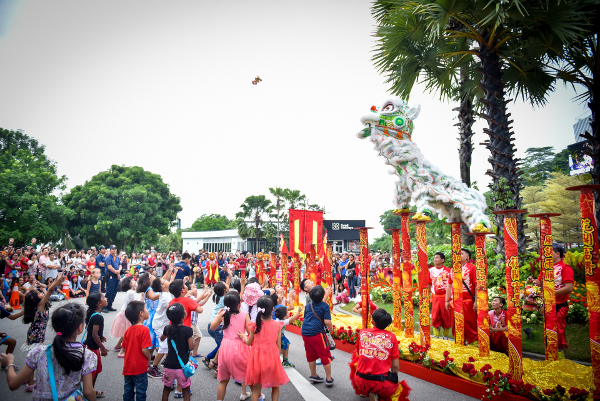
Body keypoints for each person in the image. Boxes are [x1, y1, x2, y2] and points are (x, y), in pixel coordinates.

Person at [0, 303, 98, 401]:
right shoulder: (87, 355)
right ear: (80, 328)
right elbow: (88, 392)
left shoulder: (38, 353)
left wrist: (10, 363)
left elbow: (13, 384)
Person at [349, 308, 411, 401]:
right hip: (381, 383)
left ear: (372, 322)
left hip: (360, 380)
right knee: (400, 391)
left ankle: (365, 391)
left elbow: (358, 353)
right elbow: (395, 365)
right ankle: (377, 392)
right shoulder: (392, 337)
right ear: (387, 324)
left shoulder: (363, 332)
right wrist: (393, 378)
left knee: (356, 361)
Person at [528, 243, 574, 358]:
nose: (545, 255)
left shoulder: (565, 268)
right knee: (548, 330)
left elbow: (569, 287)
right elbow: (540, 283)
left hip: (559, 305)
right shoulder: (545, 268)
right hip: (547, 304)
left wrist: (551, 293)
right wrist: (533, 280)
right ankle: (550, 355)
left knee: (558, 329)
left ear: (558, 254)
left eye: (549, 252)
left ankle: (560, 355)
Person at [240, 296, 290, 401]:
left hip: (257, 360)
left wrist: (244, 337)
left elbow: (249, 343)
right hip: (272, 359)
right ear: (272, 309)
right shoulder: (277, 325)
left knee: (256, 390)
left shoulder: (254, 325)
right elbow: (279, 345)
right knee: (275, 386)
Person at [21, 274, 65, 391]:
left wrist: (56, 280)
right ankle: (30, 383)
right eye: (39, 293)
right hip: (35, 336)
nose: (42, 293)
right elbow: (50, 290)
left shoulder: (38, 305)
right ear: (36, 299)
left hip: (35, 334)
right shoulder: (40, 305)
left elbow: (47, 290)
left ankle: (28, 378)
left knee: (32, 357)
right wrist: (57, 281)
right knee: (33, 358)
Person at [211, 292, 253, 401]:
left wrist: (218, 315)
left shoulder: (223, 314)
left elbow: (212, 327)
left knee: (223, 381)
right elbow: (250, 332)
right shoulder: (244, 314)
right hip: (241, 346)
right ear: (239, 303)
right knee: (247, 375)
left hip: (226, 347)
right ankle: (257, 394)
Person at [301, 285, 334, 386]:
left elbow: (306, 317)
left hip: (305, 332)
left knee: (311, 355)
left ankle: (313, 374)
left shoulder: (308, 305)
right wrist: (331, 329)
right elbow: (327, 322)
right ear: (323, 295)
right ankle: (329, 378)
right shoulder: (325, 306)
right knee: (325, 355)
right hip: (317, 334)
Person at [161, 303, 193, 401]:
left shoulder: (167, 328)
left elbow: (162, 339)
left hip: (169, 366)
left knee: (166, 389)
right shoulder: (188, 330)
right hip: (182, 367)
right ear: (184, 316)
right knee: (186, 390)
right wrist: (193, 338)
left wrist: (166, 334)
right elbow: (191, 347)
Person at [445, 248, 478, 344]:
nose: (458, 255)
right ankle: (460, 343)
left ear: (467, 257)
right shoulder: (452, 269)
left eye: (461, 254)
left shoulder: (472, 267)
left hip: (468, 301)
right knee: (456, 323)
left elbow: (476, 284)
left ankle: (473, 344)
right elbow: (449, 285)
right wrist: (447, 301)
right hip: (455, 302)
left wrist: (476, 301)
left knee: (469, 323)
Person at [122, 300, 152, 401]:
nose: (147, 311)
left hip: (128, 367)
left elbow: (124, 348)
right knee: (141, 392)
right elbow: (144, 349)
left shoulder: (128, 330)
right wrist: (148, 357)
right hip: (140, 367)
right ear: (141, 314)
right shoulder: (144, 330)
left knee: (128, 392)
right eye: (145, 309)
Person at [84, 292, 108, 395]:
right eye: (103, 297)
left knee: (95, 371)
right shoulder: (98, 316)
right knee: (92, 372)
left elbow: (92, 331)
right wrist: (102, 347)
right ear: (99, 303)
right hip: (93, 349)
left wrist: (100, 336)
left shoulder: (94, 314)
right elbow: (94, 334)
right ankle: (89, 391)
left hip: (91, 347)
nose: (105, 298)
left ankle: (91, 390)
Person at [203, 280, 229, 371]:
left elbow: (227, 288)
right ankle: (210, 360)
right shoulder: (224, 299)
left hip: (213, 326)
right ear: (225, 290)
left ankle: (213, 361)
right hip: (217, 328)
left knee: (220, 345)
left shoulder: (219, 296)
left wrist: (228, 279)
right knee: (222, 346)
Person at [110, 276, 138, 358]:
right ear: (129, 284)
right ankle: (123, 350)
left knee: (126, 331)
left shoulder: (130, 291)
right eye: (132, 280)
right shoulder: (131, 292)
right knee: (129, 332)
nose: (134, 281)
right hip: (128, 314)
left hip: (124, 313)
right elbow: (134, 303)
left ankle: (118, 345)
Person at [428, 252, 453, 339]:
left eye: (437, 258)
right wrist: (427, 296)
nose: (435, 259)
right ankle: (436, 336)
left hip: (446, 297)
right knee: (435, 316)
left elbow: (452, 285)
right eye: (434, 257)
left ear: (443, 260)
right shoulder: (430, 271)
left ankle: (445, 336)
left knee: (446, 316)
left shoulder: (449, 271)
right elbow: (428, 284)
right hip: (435, 297)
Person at [137, 273, 161, 353]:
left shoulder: (151, 288)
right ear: (148, 280)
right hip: (152, 315)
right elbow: (153, 298)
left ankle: (150, 355)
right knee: (151, 337)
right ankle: (148, 356)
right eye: (151, 276)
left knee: (153, 337)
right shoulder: (149, 289)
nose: (153, 277)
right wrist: (163, 293)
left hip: (152, 314)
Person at [274, 303, 303, 368]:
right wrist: (298, 311)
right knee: (283, 348)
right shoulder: (282, 321)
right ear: (284, 317)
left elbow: (290, 318)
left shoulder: (279, 319)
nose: (288, 313)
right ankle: (274, 358)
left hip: (280, 335)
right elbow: (292, 319)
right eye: (287, 312)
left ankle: (285, 361)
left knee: (287, 344)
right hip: (279, 336)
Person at [104, 245, 121, 312]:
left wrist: (119, 270)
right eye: (113, 249)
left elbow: (120, 265)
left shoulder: (117, 258)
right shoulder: (108, 258)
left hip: (116, 276)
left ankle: (109, 305)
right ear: (110, 250)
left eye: (115, 249)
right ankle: (104, 306)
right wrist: (117, 273)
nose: (114, 250)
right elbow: (109, 267)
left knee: (114, 291)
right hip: (111, 275)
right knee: (109, 291)